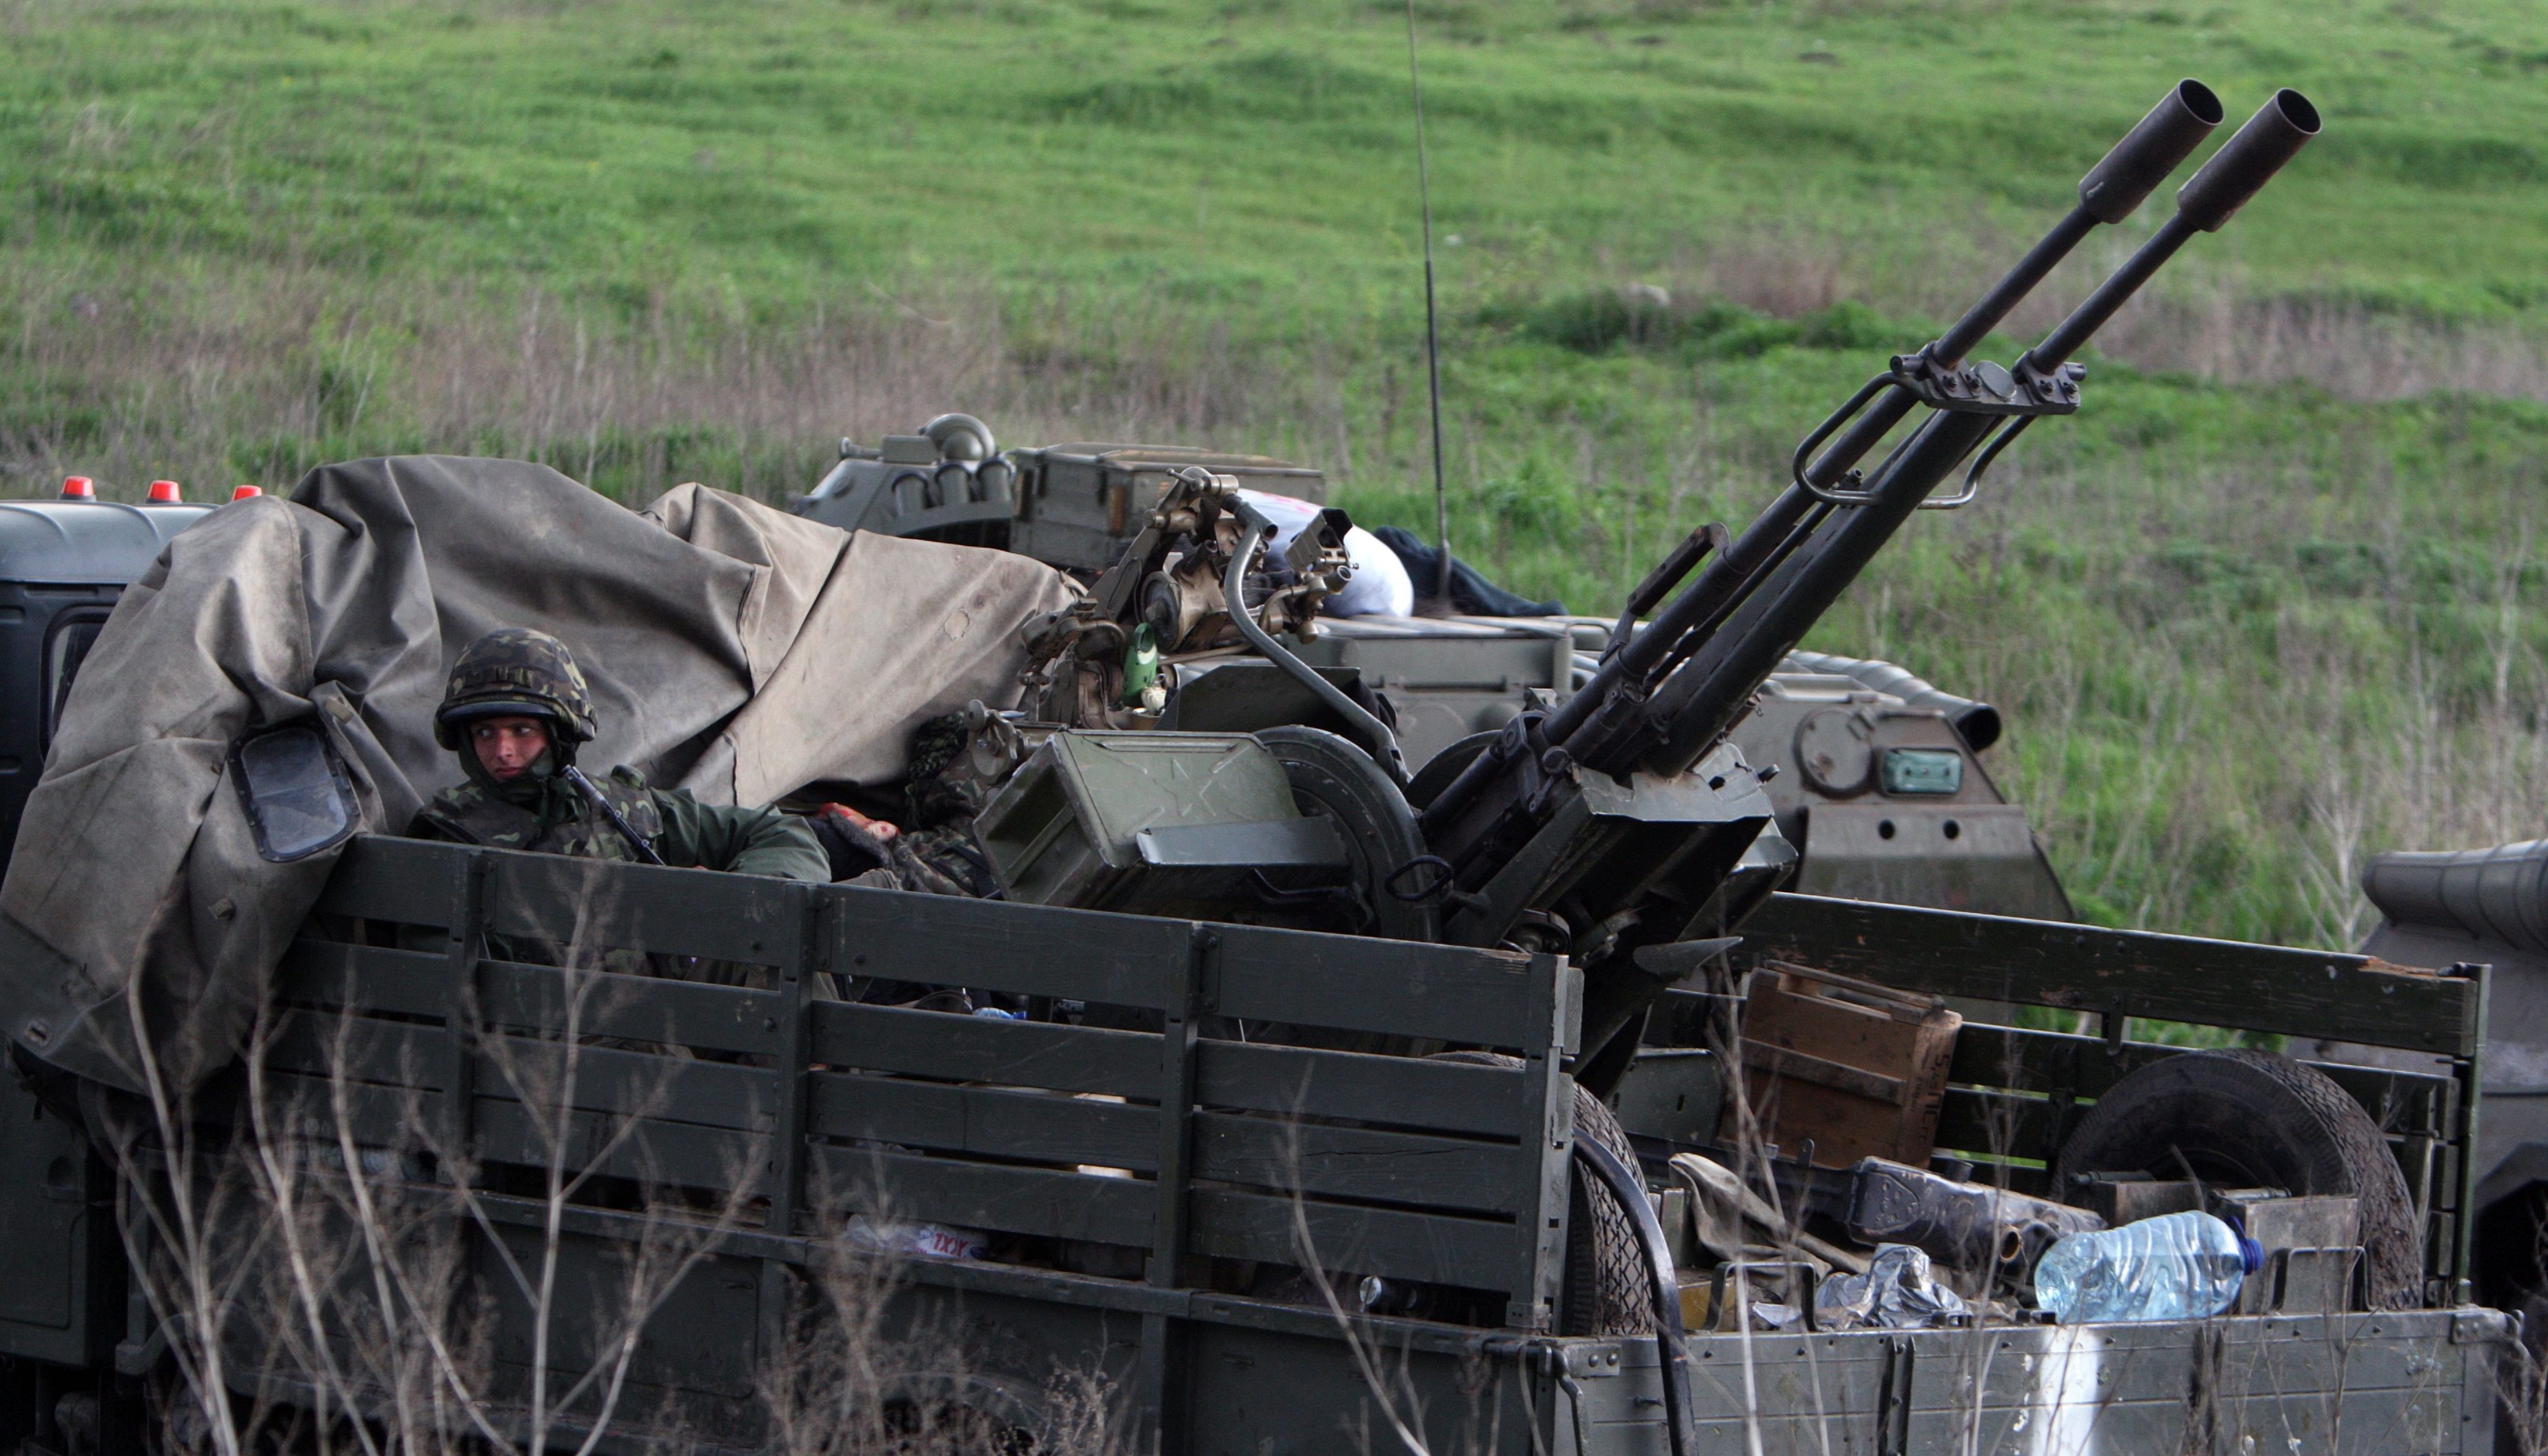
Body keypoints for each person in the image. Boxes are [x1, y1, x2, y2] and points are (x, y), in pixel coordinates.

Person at [410, 627, 829, 882]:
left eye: (522, 731)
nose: (503, 751)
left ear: (561, 734)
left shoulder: (625, 809)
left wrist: (737, 900)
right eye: (485, 733)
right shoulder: (450, 833)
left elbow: (781, 834)